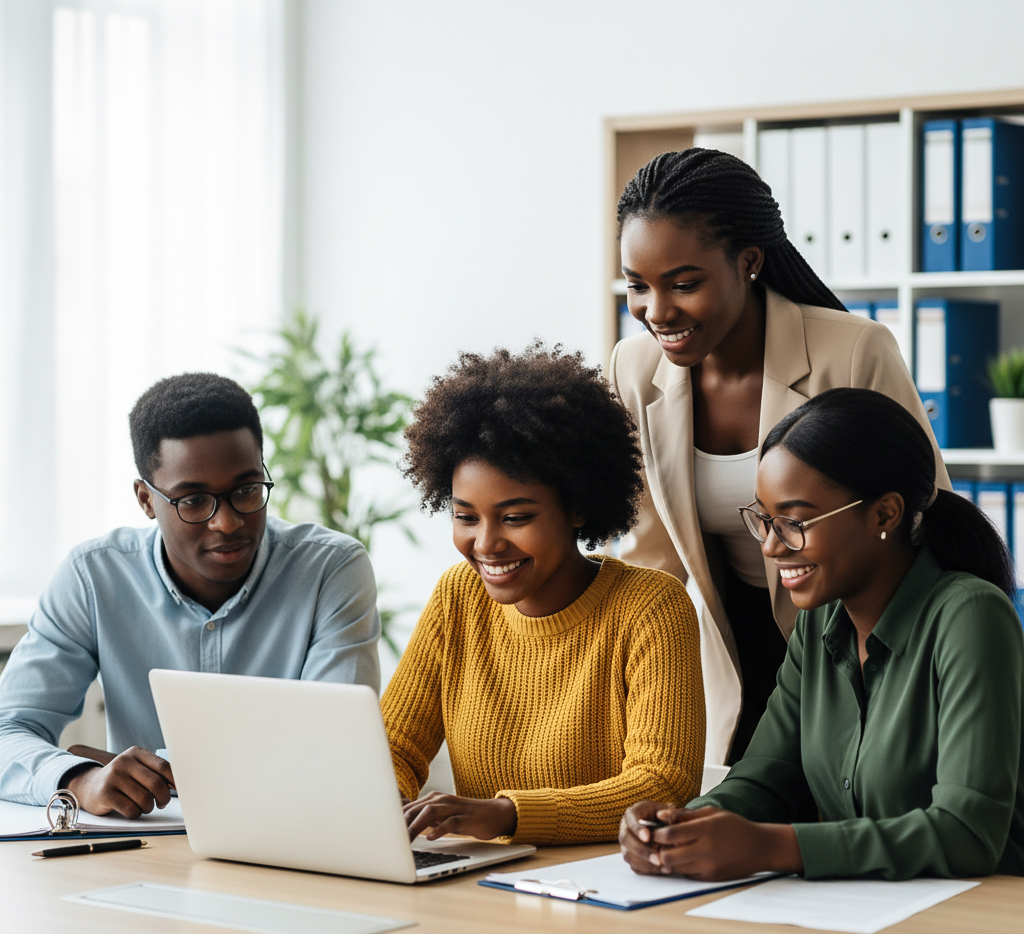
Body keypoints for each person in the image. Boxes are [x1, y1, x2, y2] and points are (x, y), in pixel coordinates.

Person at [608, 148, 950, 765]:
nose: (657, 312)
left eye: (684, 284)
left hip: (857, 642)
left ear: (749, 262)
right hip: (727, 654)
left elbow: (930, 518)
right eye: (638, 286)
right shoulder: (634, 370)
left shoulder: (852, 351)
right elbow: (650, 559)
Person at [620, 388, 1024, 880]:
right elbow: (765, 779)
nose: (771, 547)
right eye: (764, 520)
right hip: (860, 912)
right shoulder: (817, 624)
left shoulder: (970, 616)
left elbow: (967, 834)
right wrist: (682, 825)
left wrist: (774, 847)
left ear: (884, 515)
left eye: (793, 522)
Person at [0, 373, 381, 815]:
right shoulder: (93, 577)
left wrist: (156, 767)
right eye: (194, 500)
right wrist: (80, 779)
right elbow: (7, 731)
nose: (228, 523)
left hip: (287, 838)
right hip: (142, 854)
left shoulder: (330, 569)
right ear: (146, 499)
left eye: (246, 489)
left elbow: (334, 750)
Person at [382, 344, 705, 846]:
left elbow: (661, 783)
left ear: (577, 508)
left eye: (515, 518)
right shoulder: (458, 596)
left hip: (603, 886)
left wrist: (507, 814)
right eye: (466, 517)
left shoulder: (649, 607)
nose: (486, 544)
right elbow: (391, 747)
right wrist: (386, 807)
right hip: (481, 886)